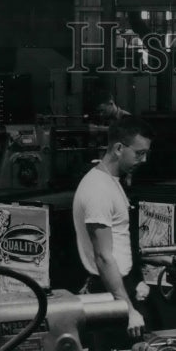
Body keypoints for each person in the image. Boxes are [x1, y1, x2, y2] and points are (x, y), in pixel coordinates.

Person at [72, 114, 153, 339]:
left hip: (119, 286)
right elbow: (103, 257)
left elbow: (119, 242)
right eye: (139, 153)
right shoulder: (98, 190)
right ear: (118, 148)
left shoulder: (110, 182)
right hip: (108, 291)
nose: (144, 160)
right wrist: (127, 309)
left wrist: (136, 280)